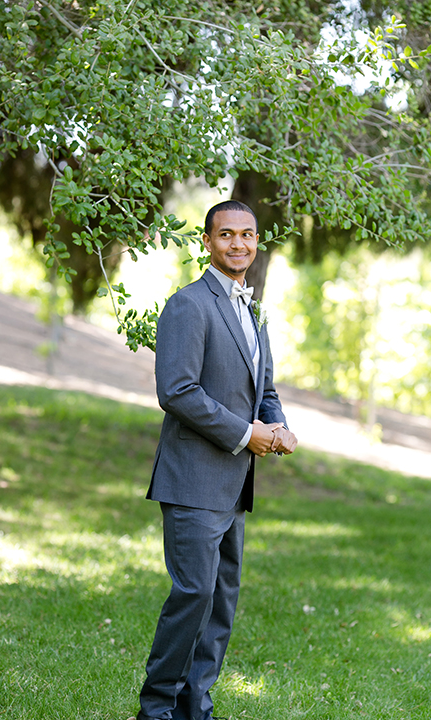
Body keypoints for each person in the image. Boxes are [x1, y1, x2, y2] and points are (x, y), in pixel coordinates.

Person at [133, 200, 298, 720]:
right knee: (194, 595)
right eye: (227, 234)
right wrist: (244, 433)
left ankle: (194, 708)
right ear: (207, 241)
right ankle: (156, 709)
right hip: (192, 480)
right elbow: (177, 390)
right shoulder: (188, 304)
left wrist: (277, 426)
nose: (239, 244)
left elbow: (262, 387)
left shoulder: (253, 308)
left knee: (221, 601)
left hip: (235, 483)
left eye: (248, 235)